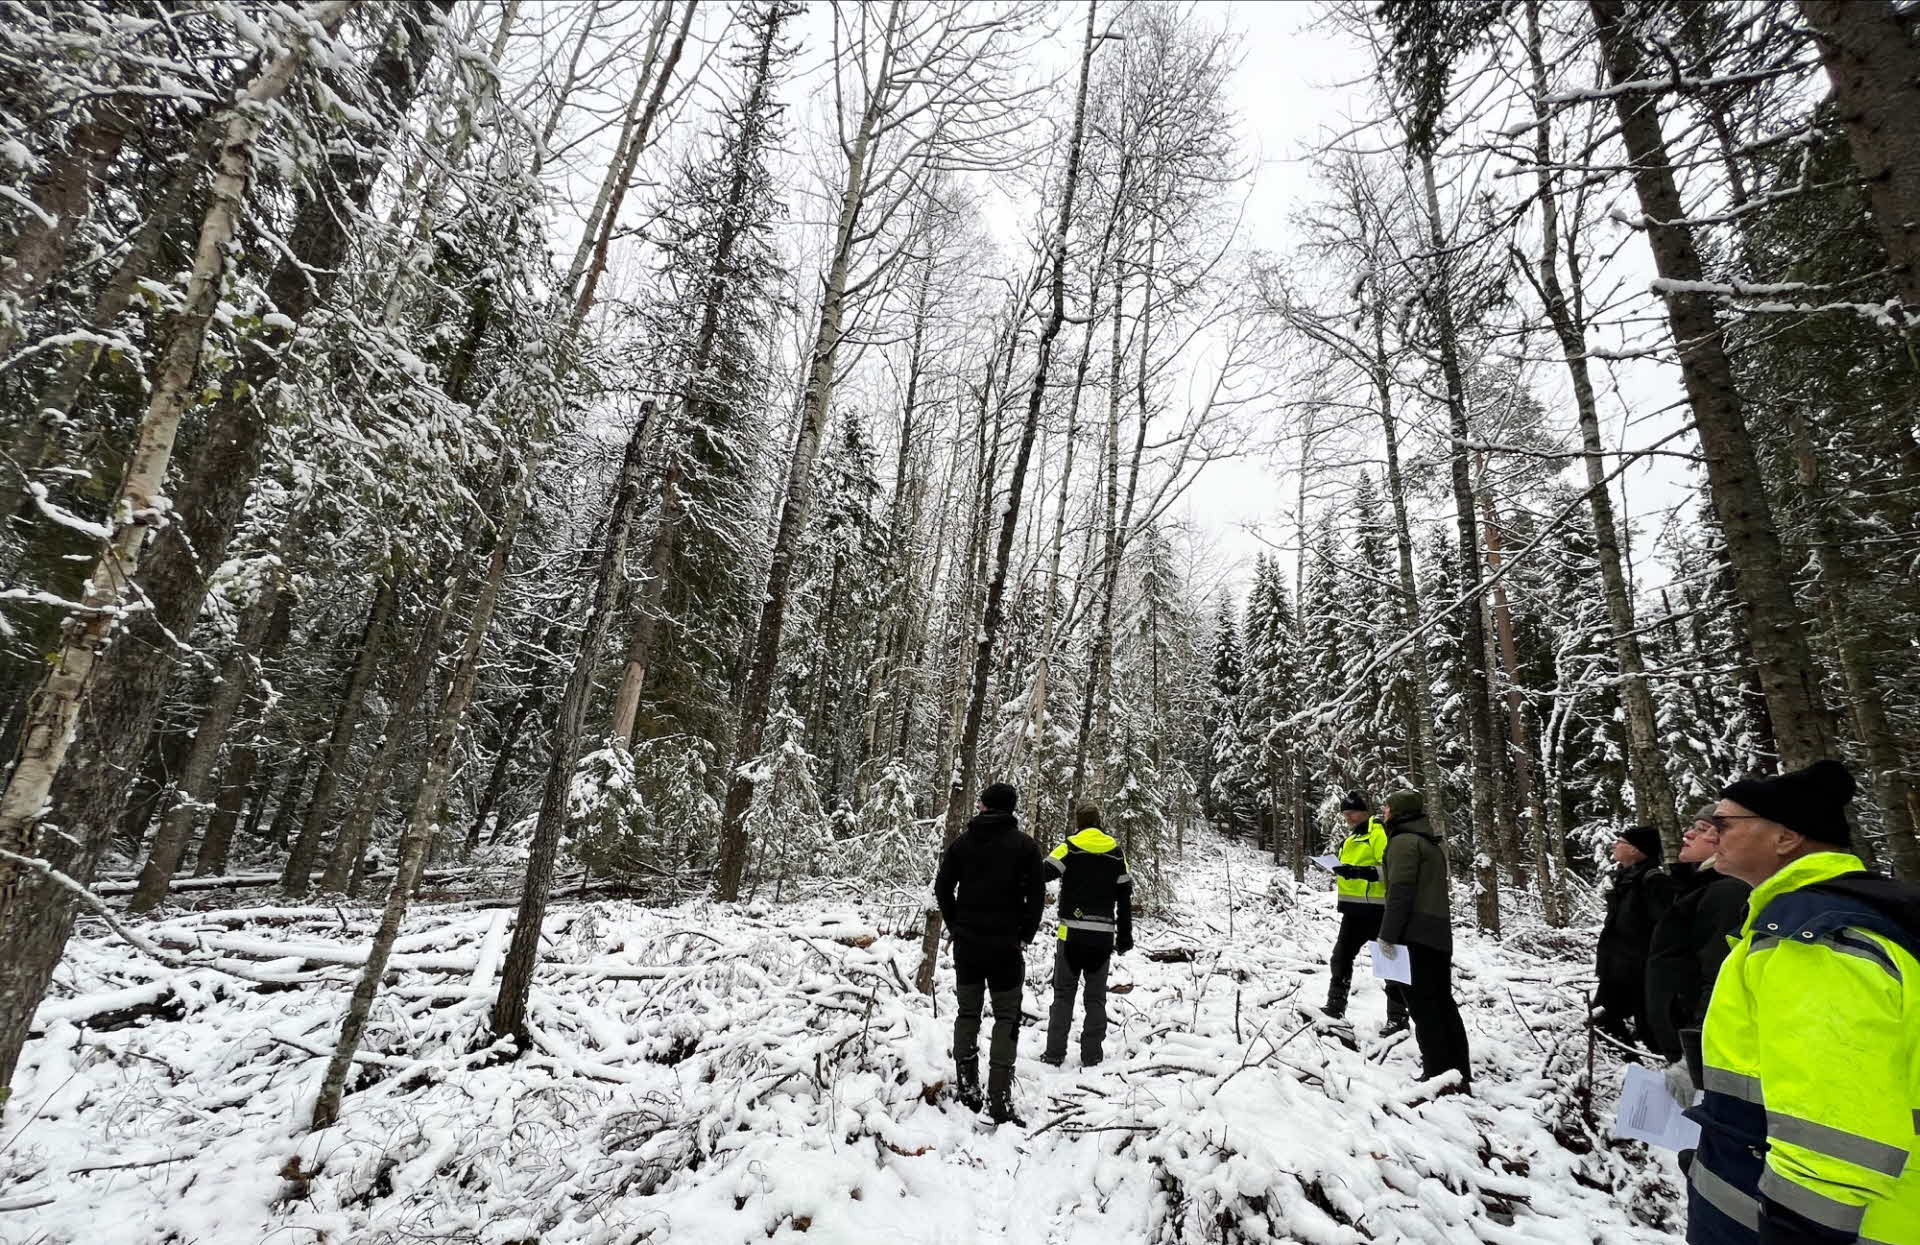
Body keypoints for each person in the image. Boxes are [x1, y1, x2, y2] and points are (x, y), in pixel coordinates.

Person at [1685, 759, 1919, 1245]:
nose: (1712, 833)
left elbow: (1836, 1130)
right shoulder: (1816, 917)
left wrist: (1800, 1229)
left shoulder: (1815, 939)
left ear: (1786, 838)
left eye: (1724, 823)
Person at [934, 780, 1045, 1125]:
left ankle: (969, 1091)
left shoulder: (963, 843)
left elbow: (942, 887)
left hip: (968, 946)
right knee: (1006, 1018)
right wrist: (1024, 933)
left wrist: (956, 925)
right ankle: (998, 1099)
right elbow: (1037, 897)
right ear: (1011, 809)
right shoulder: (1026, 847)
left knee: (968, 1015)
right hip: (1006, 948)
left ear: (985, 806)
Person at [1376, 789, 1471, 1094]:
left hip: (1414, 934)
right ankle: (1458, 1070)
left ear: (1400, 812)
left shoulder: (1403, 842)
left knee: (1424, 1007)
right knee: (1442, 1004)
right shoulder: (1427, 842)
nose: (1383, 812)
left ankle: (1437, 1073)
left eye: (1387, 808)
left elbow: (1400, 893)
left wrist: (1387, 936)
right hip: (1436, 934)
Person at [1644, 805, 1748, 1068]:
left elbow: (1720, 977)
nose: (1688, 835)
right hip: (1682, 1042)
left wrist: (1698, 1051)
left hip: (1701, 1051)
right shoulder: (1696, 888)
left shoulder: (1727, 892)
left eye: (1701, 830)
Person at [1040, 803, 1133, 1068]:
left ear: (1078, 822)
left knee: (1063, 996)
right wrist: (1125, 937)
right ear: (1099, 821)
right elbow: (1124, 898)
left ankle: (1055, 1053)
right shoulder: (1116, 853)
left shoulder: (1069, 847)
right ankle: (1092, 1055)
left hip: (1071, 936)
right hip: (1102, 938)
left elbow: (1042, 872)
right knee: (1095, 999)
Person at [1324, 790, 1409, 1035]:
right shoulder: (1351, 838)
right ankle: (1334, 1008)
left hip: (1380, 910)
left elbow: (1389, 867)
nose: (1348, 818)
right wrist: (1342, 870)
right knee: (1340, 958)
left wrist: (1359, 872)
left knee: (1388, 963)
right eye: (1345, 814)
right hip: (1354, 910)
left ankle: (1398, 1019)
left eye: (1352, 813)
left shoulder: (1378, 832)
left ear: (1364, 811)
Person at [1592, 824, 1672, 1057]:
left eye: (1621, 842)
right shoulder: (1626, 879)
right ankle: (1635, 1069)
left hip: (1639, 970)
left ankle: (1651, 1072)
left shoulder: (1653, 881)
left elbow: (1664, 928)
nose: (1615, 845)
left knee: (1648, 1029)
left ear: (1637, 851)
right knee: (1605, 1019)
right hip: (1618, 969)